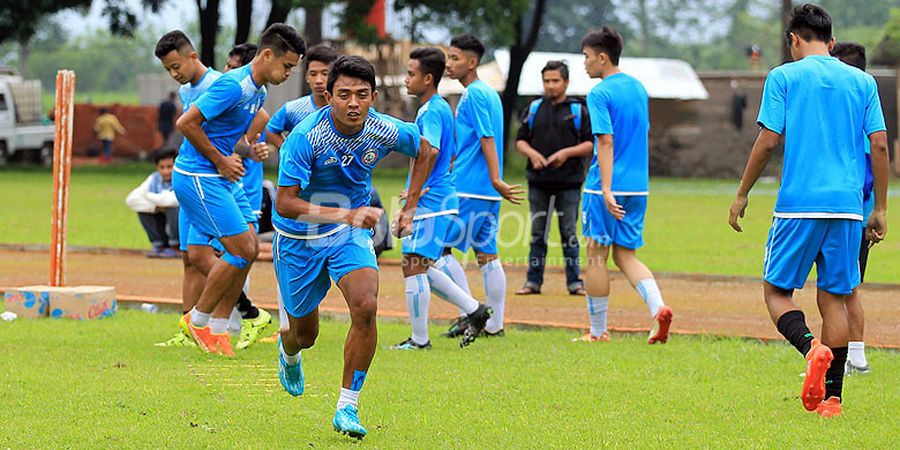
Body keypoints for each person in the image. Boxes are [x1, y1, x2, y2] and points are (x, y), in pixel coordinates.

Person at [728, 4, 888, 418]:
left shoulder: (783, 76)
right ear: (829, 40)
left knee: (776, 292)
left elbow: (767, 141)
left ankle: (810, 349)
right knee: (834, 298)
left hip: (799, 204)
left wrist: (742, 192)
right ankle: (832, 401)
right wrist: (882, 208)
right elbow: (881, 145)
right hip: (849, 209)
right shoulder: (862, 81)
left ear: (794, 39)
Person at [272, 55, 436, 438]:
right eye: (344, 94)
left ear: (373, 96)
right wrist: (344, 214)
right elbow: (285, 203)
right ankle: (288, 350)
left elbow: (425, 150)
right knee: (305, 334)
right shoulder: (305, 137)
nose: (353, 103)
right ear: (328, 96)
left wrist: (410, 207)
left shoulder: (381, 129)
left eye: (362, 95)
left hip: (349, 234)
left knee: (366, 305)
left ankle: (347, 406)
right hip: (298, 239)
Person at [173, 24, 305, 356]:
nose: (289, 73)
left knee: (247, 250)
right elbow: (186, 123)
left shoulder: (258, 91)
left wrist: (246, 151)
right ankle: (197, 320)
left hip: (220, 176)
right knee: (240, 249)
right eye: (287, 66)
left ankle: (218, 330)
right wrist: (219, 161)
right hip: (198, 177)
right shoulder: (233, 86)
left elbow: (227, 136)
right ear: (267, 55)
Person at [154, 30, 271, 350]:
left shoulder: (220, 84)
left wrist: (245, 151)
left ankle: (230, 318)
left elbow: (258, 119)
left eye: (176, 66)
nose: (174, 74)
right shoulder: (187, 90)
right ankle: (202, 328)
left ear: (193, 56)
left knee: (233, 251)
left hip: (212, 180)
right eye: (168, 70)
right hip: (197, 177)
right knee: (191, 257)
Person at [392, 47, 493, 351]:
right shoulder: (438, 109)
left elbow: (430, 152)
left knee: (413, 264)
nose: (406, 79)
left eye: (411, 74)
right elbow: (445, 155)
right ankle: (474, 310)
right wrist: (416, 190)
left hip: (432, 203)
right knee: (419, 265)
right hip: (435, 198)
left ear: (428, 78)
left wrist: (412, 202)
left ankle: (420, 340)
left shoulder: (433, 110)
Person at [577, 26, 673, 344]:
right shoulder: (638, 89)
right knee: (626, 255)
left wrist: (605, 189)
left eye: (587, 57)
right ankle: (658, 308)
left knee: (595, 255)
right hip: (638, 186)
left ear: (603, 58)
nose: (585, 63)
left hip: (605, 186)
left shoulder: (600, 93)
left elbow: (605, 141)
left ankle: (597, 331)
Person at [440, 33, 524, 340]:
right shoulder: (489, 94)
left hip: (470, 187)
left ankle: (470, 313)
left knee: (437, 250)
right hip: (484, 191)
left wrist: (495, 177)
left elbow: (487, 137)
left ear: (472, 62)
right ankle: (495, 323)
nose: (449, 64)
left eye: (455, 58)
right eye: (448, 57)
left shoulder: (474, 95)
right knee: (487, 255)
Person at [515, 60, 592, 296]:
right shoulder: (534, 109)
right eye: (546, 81)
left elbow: (591, 144)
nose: (550, 86)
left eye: (555, 81)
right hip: (538, 182)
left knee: (569, 233)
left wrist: (566, 153)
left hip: (569, 183)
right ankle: (533, 282)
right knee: (538, 234)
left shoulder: (578, 111)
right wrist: (533, 155)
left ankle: (574, 282)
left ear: (566, 82)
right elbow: (520, 140)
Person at [830, 41, 874, 376]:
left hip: (852, 214)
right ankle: (854, 356)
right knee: (846, 287)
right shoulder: (860, 107)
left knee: (842, 288)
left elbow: (868, 171)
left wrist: (866, 211)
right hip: (856, 212)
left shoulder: (853, 114)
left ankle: (850, 358)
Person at [266, 44, 338, 148]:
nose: (318, 80)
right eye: (313, 74)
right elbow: (270, 130)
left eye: (325, 73)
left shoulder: (344, 109)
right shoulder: (293, 109)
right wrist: (288, 150)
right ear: (307, 77)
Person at [126, 149, 180, 258]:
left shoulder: (182, 178)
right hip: (162, 216)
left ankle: (176, 246)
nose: (166, 171)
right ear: (157, 168)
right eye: (162, 167)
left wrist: (147, 196)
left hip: (182, 223)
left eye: (169, 167)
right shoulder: (153, 178)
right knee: (143, 210)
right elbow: (131, 199)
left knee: (174, 208)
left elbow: (173, 200)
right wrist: (156, 207)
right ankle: (160, 246)